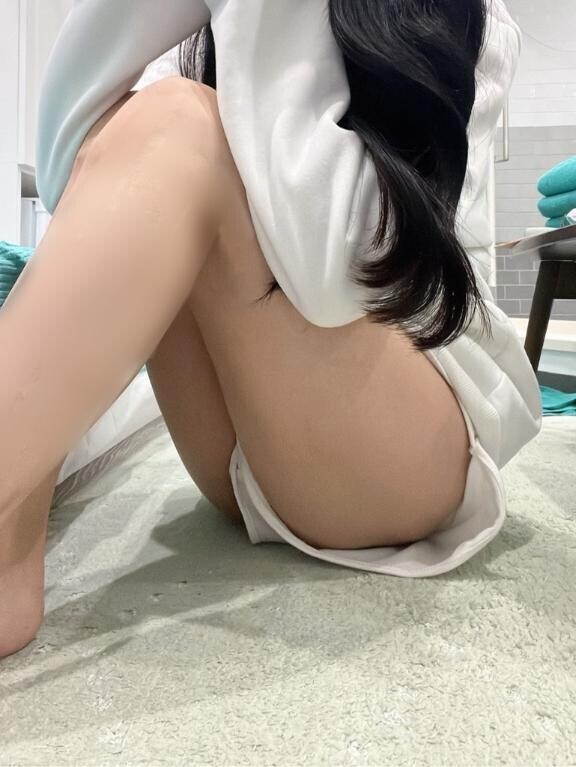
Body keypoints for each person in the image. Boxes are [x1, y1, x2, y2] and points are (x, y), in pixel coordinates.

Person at [0, 0, 541, 658]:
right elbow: (69, 169)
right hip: (243, 450)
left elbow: (334, 282)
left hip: (413, 428)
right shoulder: (203, 37)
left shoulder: (464, 19)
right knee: (156, 118)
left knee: (177, 122)